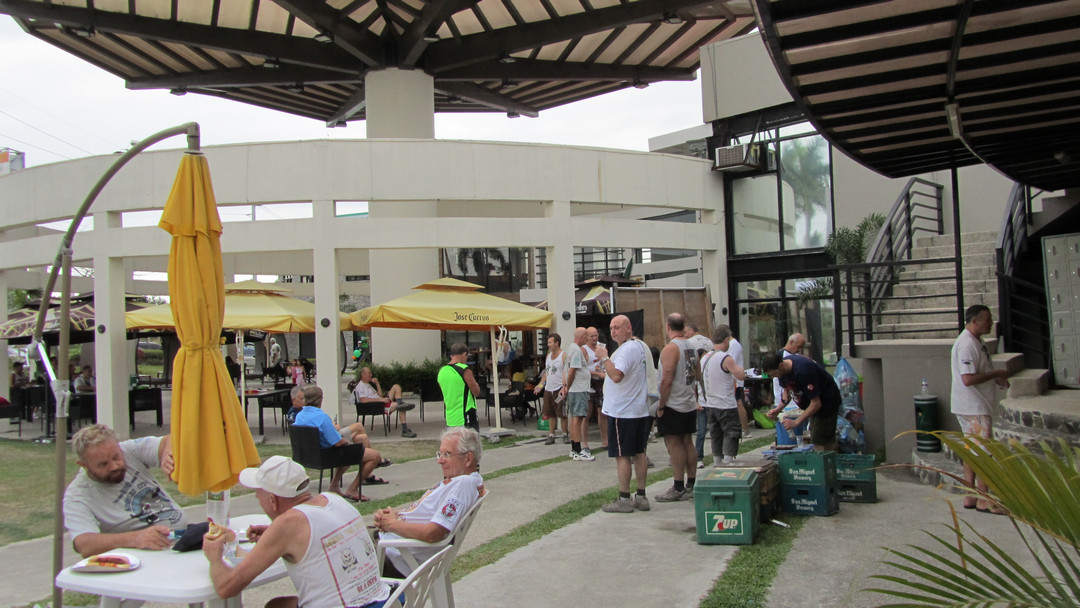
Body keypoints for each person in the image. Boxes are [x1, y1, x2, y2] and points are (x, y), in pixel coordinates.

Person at [203, 455, 392, 608]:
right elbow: (316, 533)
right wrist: (273, 535)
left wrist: (214, 557)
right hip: (385, 601)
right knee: (276, 605)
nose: (258, 500)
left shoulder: (287, 525)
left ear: (272, 500)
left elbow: (226, 587)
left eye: (257, 496)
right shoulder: (333, 499)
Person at [373, 427, 484, 577]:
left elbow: (432, 533)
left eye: (447, 454)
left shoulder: (464, 484)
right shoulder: (459, 482)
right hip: (389, 545)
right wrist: (394, 515)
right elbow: (428, 516)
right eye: (440, 454)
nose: (440, 461)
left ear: (468, 458)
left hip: (394, 555)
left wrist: (391, 524)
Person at [63, 424, 187, 557]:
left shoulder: (128, 450)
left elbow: (170, 440)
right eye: (103, 464)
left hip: (181, 538)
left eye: (116, 457)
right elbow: (84, 544)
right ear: (84, 465)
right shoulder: (77, 495)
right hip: (142, 556)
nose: (114, 466)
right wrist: (136, 538)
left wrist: (167, 452)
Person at [950, 304, 1010, 514]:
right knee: (984, 451)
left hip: (973, 404)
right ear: (974, 322)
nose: (991, 323)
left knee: (973, 449)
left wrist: (996, 378)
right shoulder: (967, 344)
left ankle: (971, 495)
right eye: (987, 319)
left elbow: (980, 370)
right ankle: (984, 499)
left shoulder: (977, 341)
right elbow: (968, 378)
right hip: (973, 406)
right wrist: (996, 374)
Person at [292, 385, 388, 502]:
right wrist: (347, 441)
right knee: (374, 455)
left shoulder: (300, 416)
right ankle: (353, 489)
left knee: (355, 442)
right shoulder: (322, 417)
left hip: (308, 456)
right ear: (320, 400)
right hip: (327, 456)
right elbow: (337, 442)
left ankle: (334, 486)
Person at [596, 315, 651, 513]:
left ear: (629, 328)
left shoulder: (627, 350)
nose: (613, 332)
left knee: (622, 455)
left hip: (623, 411)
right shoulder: (637, 346)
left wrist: (604, 358)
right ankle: (641, 495)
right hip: (637, 409)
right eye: (611, 328)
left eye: (617, 327)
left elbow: (617, 375)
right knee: (639, 453)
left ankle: (624, 498)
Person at [654, 313, 700, 501]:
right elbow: (697, 373)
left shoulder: (671, 348)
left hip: (674, 403)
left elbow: (667, 379)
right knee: (687, 441)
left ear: (668, 327)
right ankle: (691, 483)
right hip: (688, 401)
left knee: (674, 444)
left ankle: (678, 485)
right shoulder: (691, 346)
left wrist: (661, 405)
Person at [762, 350, 841, 451]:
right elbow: (787, 395)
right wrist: (777, 409)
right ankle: (828, 455)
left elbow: (816, 403)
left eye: (774, 374)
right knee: (819, 435)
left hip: (827, 402)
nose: (774, 377)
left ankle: (825, 458)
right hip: (811, 403)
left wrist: (796, 422)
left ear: (781, 365)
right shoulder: (782, 373)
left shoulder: (804, 370)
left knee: (819, 438)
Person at [700, 325, 748, 466]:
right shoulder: (725, 358)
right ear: (726, 340)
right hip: (725, 403)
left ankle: (717, 460)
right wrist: (742, 371)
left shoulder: (704, 358)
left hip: (710, 403)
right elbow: (739, 375)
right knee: (731, 431)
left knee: (716, 433)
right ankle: (728, 459)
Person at [352, 366, 416, 438]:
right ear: (363, 374)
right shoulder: (361, 386)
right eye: (369, 373)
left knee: (396, 386)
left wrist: (377, 384)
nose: (371, 375)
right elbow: (363, 400)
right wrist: (381, 400)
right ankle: (404, 430)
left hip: (381, 402)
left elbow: (380, 395)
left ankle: (400, 404)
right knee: (403, 407)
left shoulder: (368, 384)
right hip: (377, 406)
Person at [683, 321, 714, 469]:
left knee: (703, 431)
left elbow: (692, 384)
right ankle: (702, 457)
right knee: (705, 431)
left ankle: (705, 457)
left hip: (707, 402)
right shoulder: (708, 341)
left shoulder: (689, 344)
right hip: (705, 402)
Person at [533, 333, 569, 445]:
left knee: (562, 413)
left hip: (559, 388)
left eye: (550, 342)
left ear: (557, 343)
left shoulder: (563, 355)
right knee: (550, 413)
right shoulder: (548, 356)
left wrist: (564, 386)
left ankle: (565, 434)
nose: (548, 345)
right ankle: (551, 435)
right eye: (548, 342)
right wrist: (540, 385)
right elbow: (546, 372)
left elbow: (566, 372)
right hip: (549, 389)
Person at [437, 343, 481, 431]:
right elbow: (476, 392)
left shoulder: (442, 371)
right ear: (464, 354)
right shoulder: (464, 370)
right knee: (471, 440)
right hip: (466, 416)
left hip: (450, 418)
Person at [566, 328, 594, 461]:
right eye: (586, 336)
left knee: (574, 418)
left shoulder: (571, 348)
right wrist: (568, 385)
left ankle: (574, 448)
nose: (587, 339)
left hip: (575, 389)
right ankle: (577, 450)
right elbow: (572, 371)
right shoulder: (577, 350)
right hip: (578, 389)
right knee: (578, 418)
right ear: (581, 336)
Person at [584, 326, 608, 450]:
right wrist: (596, 373)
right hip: (589, 382)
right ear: (586, 337)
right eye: (592, 336)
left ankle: (605, 441)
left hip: (602, 382)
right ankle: (584, 443)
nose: (594, 338)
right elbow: (582, 369)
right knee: (587, 413)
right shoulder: (584, 350)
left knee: (602, 412)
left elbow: (607, 360)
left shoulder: (601, 346)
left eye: (596, 335)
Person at [773, 333, 806, 407]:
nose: (799, 350)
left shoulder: (797, 356)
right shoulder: (780, 356)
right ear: (791, 342)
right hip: (784, 396)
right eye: (798, 347)